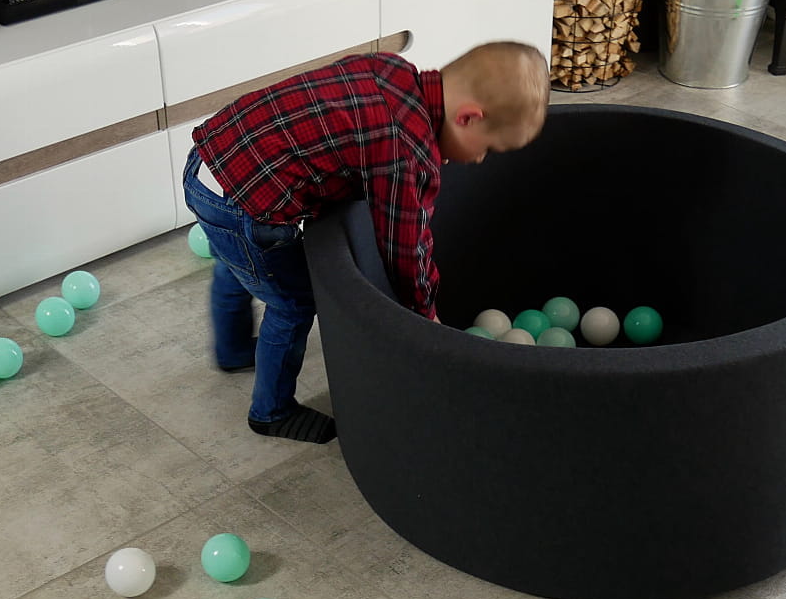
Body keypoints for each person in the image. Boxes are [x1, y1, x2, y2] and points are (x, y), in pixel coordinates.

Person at [184, 40, 549, 443]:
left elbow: (345, 132)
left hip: (212, 160)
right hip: (247, 202)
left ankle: (233, 350)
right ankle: (271, 412)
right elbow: (404, 246)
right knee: (293, 302)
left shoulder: (391, 69)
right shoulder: (405, 151)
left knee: (237, 263)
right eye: (488, 148)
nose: (480, 159)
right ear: (467, 117)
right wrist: (426, 315)